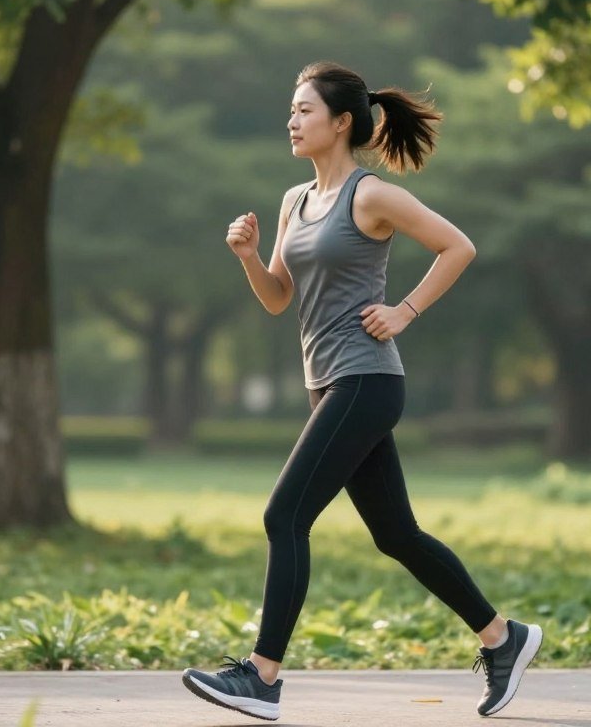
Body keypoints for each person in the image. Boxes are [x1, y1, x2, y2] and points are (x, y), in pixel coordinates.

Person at [182, 61, 542, 721]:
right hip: (329, 384)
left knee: (283, 516)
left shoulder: (370, 195)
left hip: (368, 379)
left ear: (341, 122)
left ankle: (262, 676)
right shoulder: (296, 200)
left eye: (304, 111)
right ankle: (502, 638)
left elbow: (456, 247)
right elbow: (278, 299)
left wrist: (403, 311)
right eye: (290, 111)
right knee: (396, 534)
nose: (291, 121)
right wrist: (249, 258)